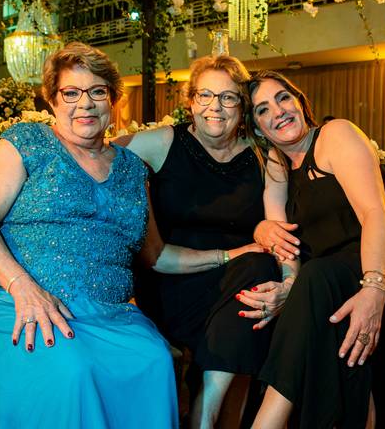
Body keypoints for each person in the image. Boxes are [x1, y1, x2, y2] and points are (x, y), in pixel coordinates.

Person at [0, 42, 178, 428]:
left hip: (108, 311)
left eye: (97, 91)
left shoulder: (132, 169)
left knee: (154, 360)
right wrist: (23, 288)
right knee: (73, 370)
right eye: (70, 92)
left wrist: (232, 254)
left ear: (113, 100)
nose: (84, 103)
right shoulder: (26, 143)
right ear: (52, 100)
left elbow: (154, 253)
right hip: (20, 299)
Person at [244, 71, 385, 428]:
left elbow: (376, 214)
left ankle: (267, 422)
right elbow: (286, 247)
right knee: (323, 304)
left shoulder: (335, 134)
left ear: (300, 102)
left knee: (320, 278)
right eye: (262, 109)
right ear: (257, 128)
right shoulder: (276, 166)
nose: (277, 111)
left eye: (283, 98)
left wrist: (375, 289)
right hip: (335, 282)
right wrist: (288, 282)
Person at [124, 55, 291, 427]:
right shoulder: (163, 142)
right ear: (190, 101)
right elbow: (92, 150)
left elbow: (280, 233)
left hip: (241, 284)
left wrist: (288, 284)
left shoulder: (264, 156)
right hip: (172, 281)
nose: (215, 107)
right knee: (254, 270)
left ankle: (205, 411)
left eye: (228, 98)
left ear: (242, 107)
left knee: (260, 271)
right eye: (205, 95)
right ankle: (208, 415)